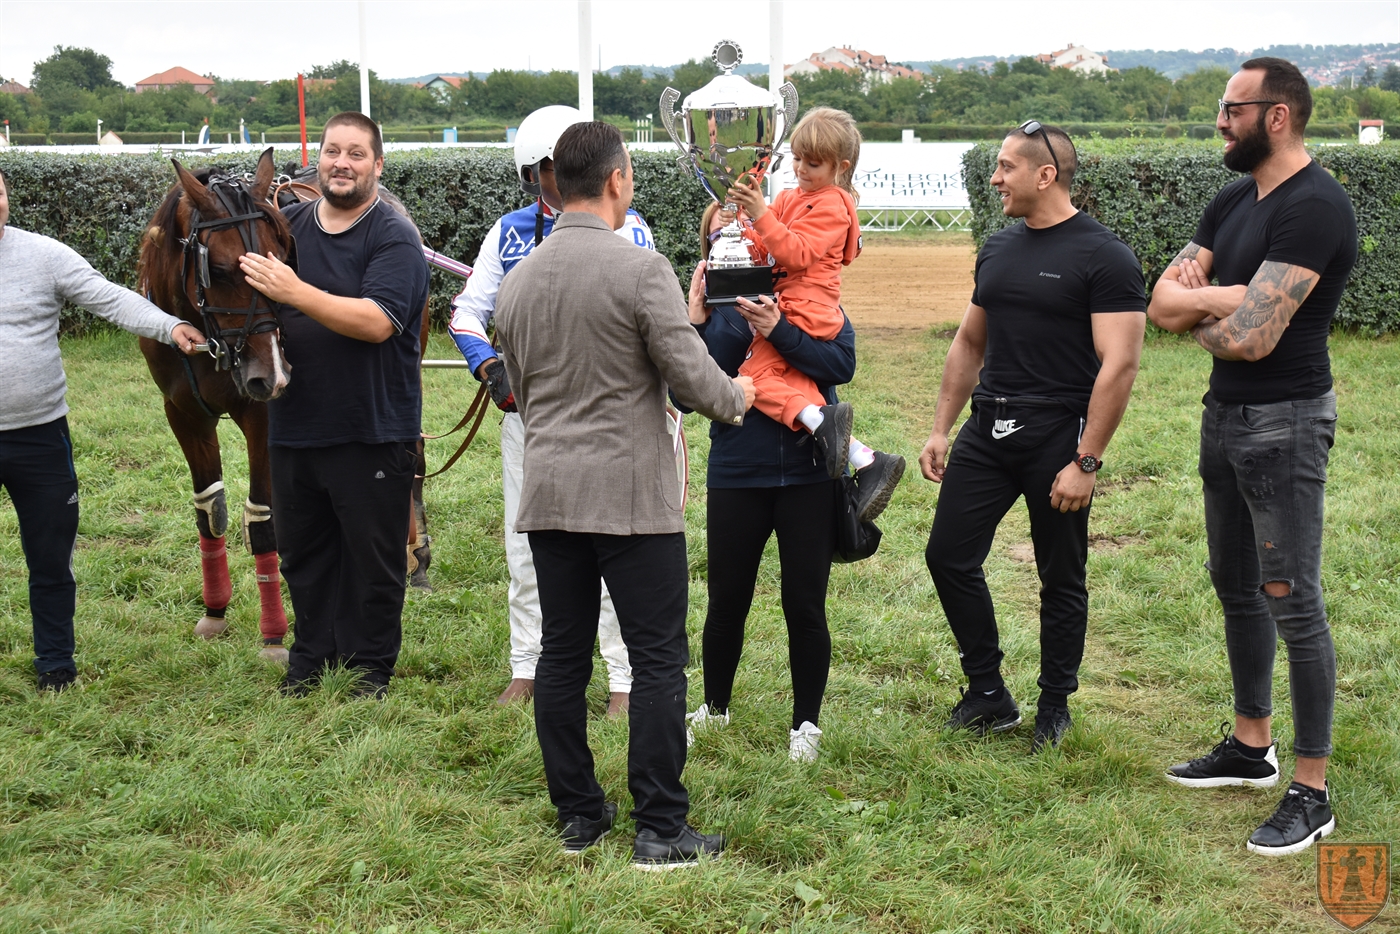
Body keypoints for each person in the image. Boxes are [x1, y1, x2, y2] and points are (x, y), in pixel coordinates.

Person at [494, 121, 754, 868]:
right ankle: (661, 827)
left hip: (550, 491)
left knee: (561, 655)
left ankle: (579, 816)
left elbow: (523, 389)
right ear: (616, 180)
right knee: (658, 659)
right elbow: (692, 380)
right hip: (633, 498)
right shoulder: (642, 270)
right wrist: (738, 395)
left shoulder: (518, 281)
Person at [1147, 58, 1357, 856]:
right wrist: (1227, 297)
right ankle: (1250, 746)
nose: (1219, 122)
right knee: (1236, 585)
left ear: (1277, 115)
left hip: (1286, 422)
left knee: (1291, 599)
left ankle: (1312, 790)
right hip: (1225, 415)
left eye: (1231, 109)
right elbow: (1160, 301)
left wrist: (1205, 305)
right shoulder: (1233, 198)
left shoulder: (1315, 206)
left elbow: (1255, 337)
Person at [918, 122, 1146, 752]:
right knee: (947, 557)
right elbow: (970, 341)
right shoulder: (997, 248)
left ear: (1046, 175)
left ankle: (1054, 705)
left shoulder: (1105, 256)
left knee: (1060, 577)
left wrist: (1086, 460)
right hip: (988, 429)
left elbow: (1120, 364)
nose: (995, 178)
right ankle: (988, 692)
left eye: (1005, 167)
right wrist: (941, 428)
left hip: (1058, 437)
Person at [448, 104, 653, 715]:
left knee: (615, 547)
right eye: (549, 169)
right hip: (530, 423)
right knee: (525, 548)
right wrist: (491, 369)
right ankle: (527, 666)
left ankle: (623, 677)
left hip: (611, 420)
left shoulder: (630, 228)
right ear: (532, 173)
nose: (560, 179)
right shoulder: (508, 232)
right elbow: (467, 312)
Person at [238, 111, 430, 698]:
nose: (341, 163)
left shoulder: (393, 235)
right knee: (303, 553)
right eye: (331, 152)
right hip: (294, 424)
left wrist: (294, 290)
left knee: (372, 558)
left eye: (355, 154)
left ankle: (369, 668)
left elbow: (377, 322)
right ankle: (310, 659)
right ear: (317, 159)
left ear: (377, 165)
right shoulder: (289, 228)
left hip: (371, 427)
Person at [0, 167, 206, 692]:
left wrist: (171, 325)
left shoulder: (43, 255)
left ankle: (55, 665)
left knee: (51, 558)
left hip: (39, 435)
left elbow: (109, 297)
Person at [682, 200, 858, 763]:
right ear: (709, 250)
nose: (731, 242)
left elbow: (840, 366)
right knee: (726, 599)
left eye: (739, 231)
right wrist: (695, 321)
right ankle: (714, 707)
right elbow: (687, 393)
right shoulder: (713, 311)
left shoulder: (806, 298)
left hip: (808, 472)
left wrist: (779, 329)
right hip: (737, 471)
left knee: (805, 603)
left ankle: (806, 724)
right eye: (719, 238)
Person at [723, 107, 904, 521]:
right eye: (797, 158)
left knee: (754, 378)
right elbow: (768, 246)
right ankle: (867, 460)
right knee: (794, 384)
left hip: (808, 308)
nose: (801, 169)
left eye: (814, 163)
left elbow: (797, 253)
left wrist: (761, 214)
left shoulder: (834, 205)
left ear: (841, 167)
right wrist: (740, 225)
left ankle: (821, 421)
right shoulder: (790, 198)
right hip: (790, 302)